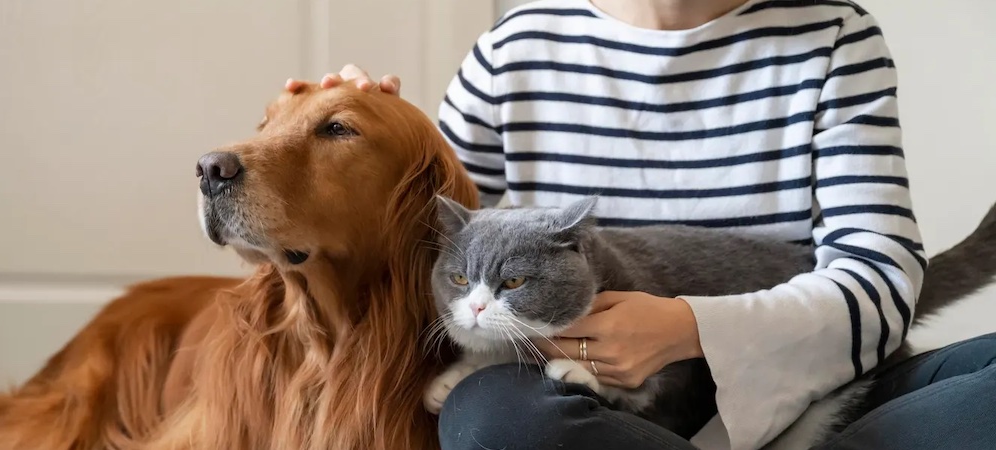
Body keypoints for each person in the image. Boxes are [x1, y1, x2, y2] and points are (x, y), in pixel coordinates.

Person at [286, 0, 996, 449]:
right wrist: (353, 137)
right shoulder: (517, 48)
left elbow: (881, 282)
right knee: (492, 418)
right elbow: (426, 239)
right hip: (589, 407)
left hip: (811, 385)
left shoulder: (835, 37)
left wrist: (688, 327)